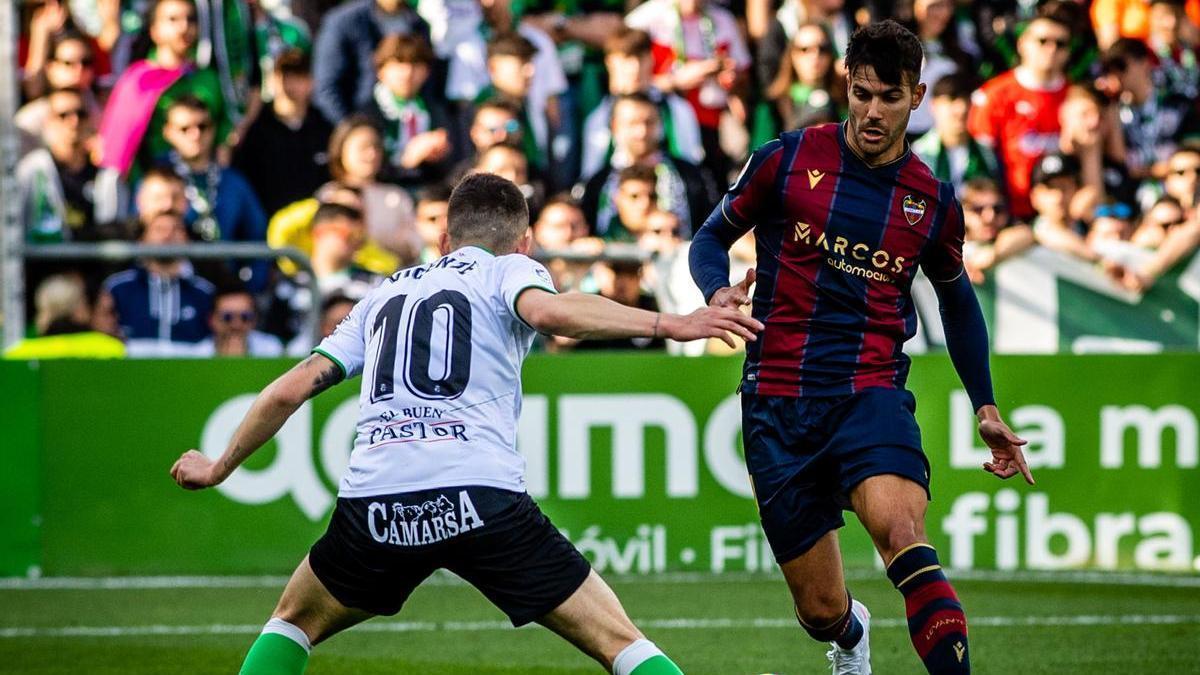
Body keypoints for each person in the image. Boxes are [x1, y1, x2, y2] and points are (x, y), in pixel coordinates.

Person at [169, 172, 762, 675]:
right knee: (619, 642)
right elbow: (552, 313)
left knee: (293, 621)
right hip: (478, 494)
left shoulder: (380, 297)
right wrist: (671, 324)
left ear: (445, 237)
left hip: (377, 501)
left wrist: (221, 465)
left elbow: (289, 388)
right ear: (525, 242)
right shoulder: (507, 272)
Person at [689, 21, 1035, 675]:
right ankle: (849, 633)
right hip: (777, 402)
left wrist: (985, 404)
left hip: (867, 391)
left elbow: (958, 301)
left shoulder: (931, 200)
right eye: (863, 93)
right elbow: (708, 240)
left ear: (918, 95)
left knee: (905, 536)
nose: (873, 112)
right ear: (847, 84)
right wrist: (715, 291)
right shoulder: (786, 159)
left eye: (890, 97)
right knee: (819, 607)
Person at [967, 11, 1072, 221]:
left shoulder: (1075, 97)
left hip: (1062, 216)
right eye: (1042, 41)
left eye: (1060, 43)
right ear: (1022, 43)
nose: (1051, 49)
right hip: (1006, 214)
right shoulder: (994, 95)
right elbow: (979, 162)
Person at [581, 28, 704, 180]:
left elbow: (691, 169)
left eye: (641, 57)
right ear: (610, 63)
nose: (635, 68)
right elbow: (591, 176)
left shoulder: (677, 110)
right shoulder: (599, 118)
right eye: (627, 58)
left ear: (651, 59)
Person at [97, 213, 216, 357]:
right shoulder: (117, 287)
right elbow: (102, 334)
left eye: (177, 229)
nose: (168, 235)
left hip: (189, 376)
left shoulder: (205, 292)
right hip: (131, 375)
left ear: (188, 240)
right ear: (141, 240)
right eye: (159, 229)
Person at [233, 49, 333, 217]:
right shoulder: (256, 130)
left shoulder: (324, 129)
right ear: (272, 80)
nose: (290, 83)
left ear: (311, 82)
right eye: (284, 75)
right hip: (266, 227)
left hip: (312, 225)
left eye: (299, 76)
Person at [310, 0, 430, 123]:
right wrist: (354, 132)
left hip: (411, 126)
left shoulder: (418, 24)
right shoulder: (344, 21)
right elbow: (326, 87)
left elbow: (429, 86)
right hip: (360, 123)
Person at [360, 34, 453, 189]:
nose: (408, 72)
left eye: (415, 64)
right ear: (381, 70)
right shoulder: (367, 114)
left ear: (427, 72)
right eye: (399, 63)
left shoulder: (435, 111)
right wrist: (407, 160)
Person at [911, 75, 1001, 193]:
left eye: (966, 100)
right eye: (951, 100)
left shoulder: (986, 152)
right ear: (933, 105)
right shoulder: (919, 154)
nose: (961, 108)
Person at [198, 287, 286, 357]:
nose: (236, 324)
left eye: (245, 317)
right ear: (212, 320)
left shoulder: (272, 349)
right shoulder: (194, 355)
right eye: (227, 317)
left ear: (255, 319)